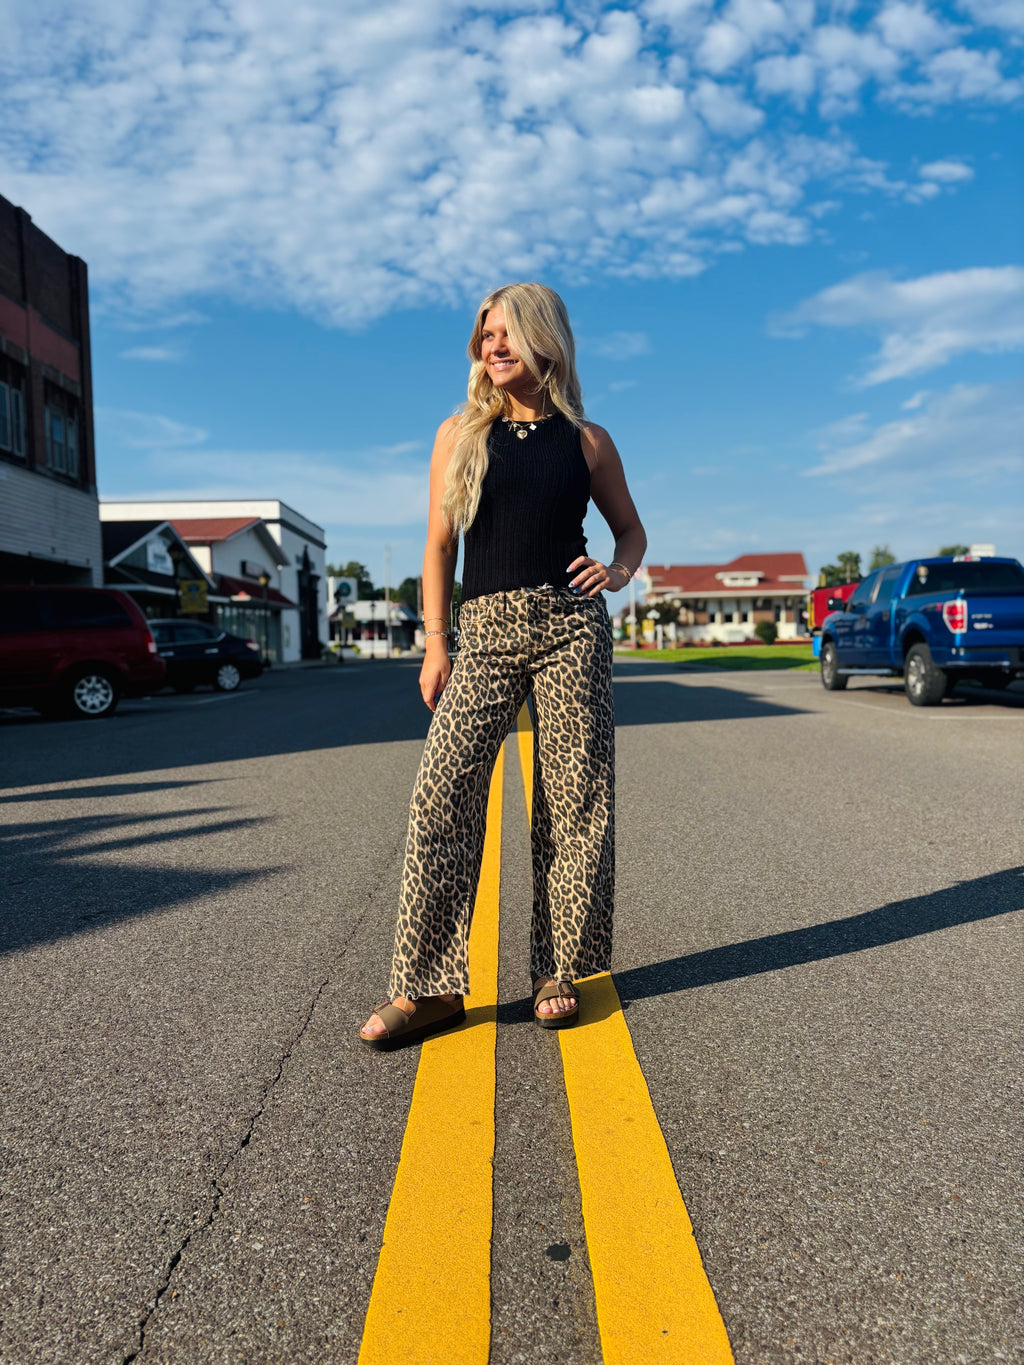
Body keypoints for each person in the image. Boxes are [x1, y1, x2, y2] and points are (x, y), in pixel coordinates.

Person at [359, 282, 647, 1050]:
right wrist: (435, 639)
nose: (492, 346)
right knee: (441, 792)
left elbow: (630, 534)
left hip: (569, 628)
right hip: (482, 631)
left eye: (507, 333)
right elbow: (439, 546)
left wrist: (615, 575)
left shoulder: (588, 441)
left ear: (545, 340)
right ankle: (428, 987)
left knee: (574, 796)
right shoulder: (458, 434)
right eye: (485, 334)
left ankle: (560, 968)